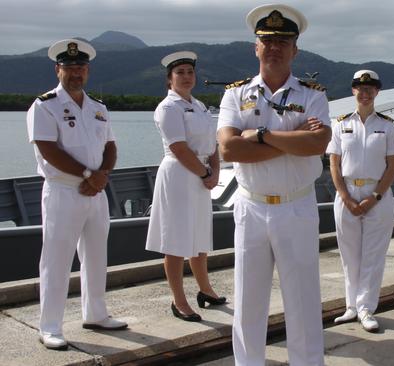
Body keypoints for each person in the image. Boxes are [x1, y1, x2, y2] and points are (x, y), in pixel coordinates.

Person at [217, 4, 331, 365]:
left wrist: (261, 135)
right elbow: (229, 149)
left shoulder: (312, 94)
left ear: (295, 49)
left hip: (296, 206)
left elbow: (317, 144)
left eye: (283, 40)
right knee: (248, 299)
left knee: (302, 298)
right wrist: (289, 138)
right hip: (250, 207)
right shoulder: (235, 94)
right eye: (267, 40)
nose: (275, 46)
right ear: (256, 47)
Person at [26, 39, 128, 350]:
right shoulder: (44, 106)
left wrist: (102, 176)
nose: (76, 73)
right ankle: (50, 326)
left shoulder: (99, 108)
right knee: (57, 260)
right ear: (58, 70)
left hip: (96, 192)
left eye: (80, 68)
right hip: (64, 191)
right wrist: (88, 175)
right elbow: (47, 149)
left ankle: (95, 313)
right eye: (69, 68)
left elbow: (110, 146)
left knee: (96, 256)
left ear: (88, 70)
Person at [146, 51, 225, 322]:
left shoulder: (200, 106)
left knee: (200, 235)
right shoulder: (168, 108)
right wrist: (206, 172)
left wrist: (215, 171)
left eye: (190, 72)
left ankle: (205, 290)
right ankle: (178, 300)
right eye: (180, 73)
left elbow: (213, 143)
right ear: (170, 79)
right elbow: (179, 147)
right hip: (180, 175)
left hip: (201, 174)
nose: (187, 77)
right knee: (177, 240)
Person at [327, 70, 394, 332]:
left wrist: (376, 196)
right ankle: (351, 306)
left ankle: (367, 308)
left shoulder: (388, 125)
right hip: (346, 192)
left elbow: (393, 165)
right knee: (349, 254)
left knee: (373, 254)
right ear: (353, 91)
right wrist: (344, 196)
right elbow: (334, 163)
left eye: (370, 88)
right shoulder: (341, 124)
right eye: (361, 88)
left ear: (377, 92)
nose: (365, 92)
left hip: (377, 193)